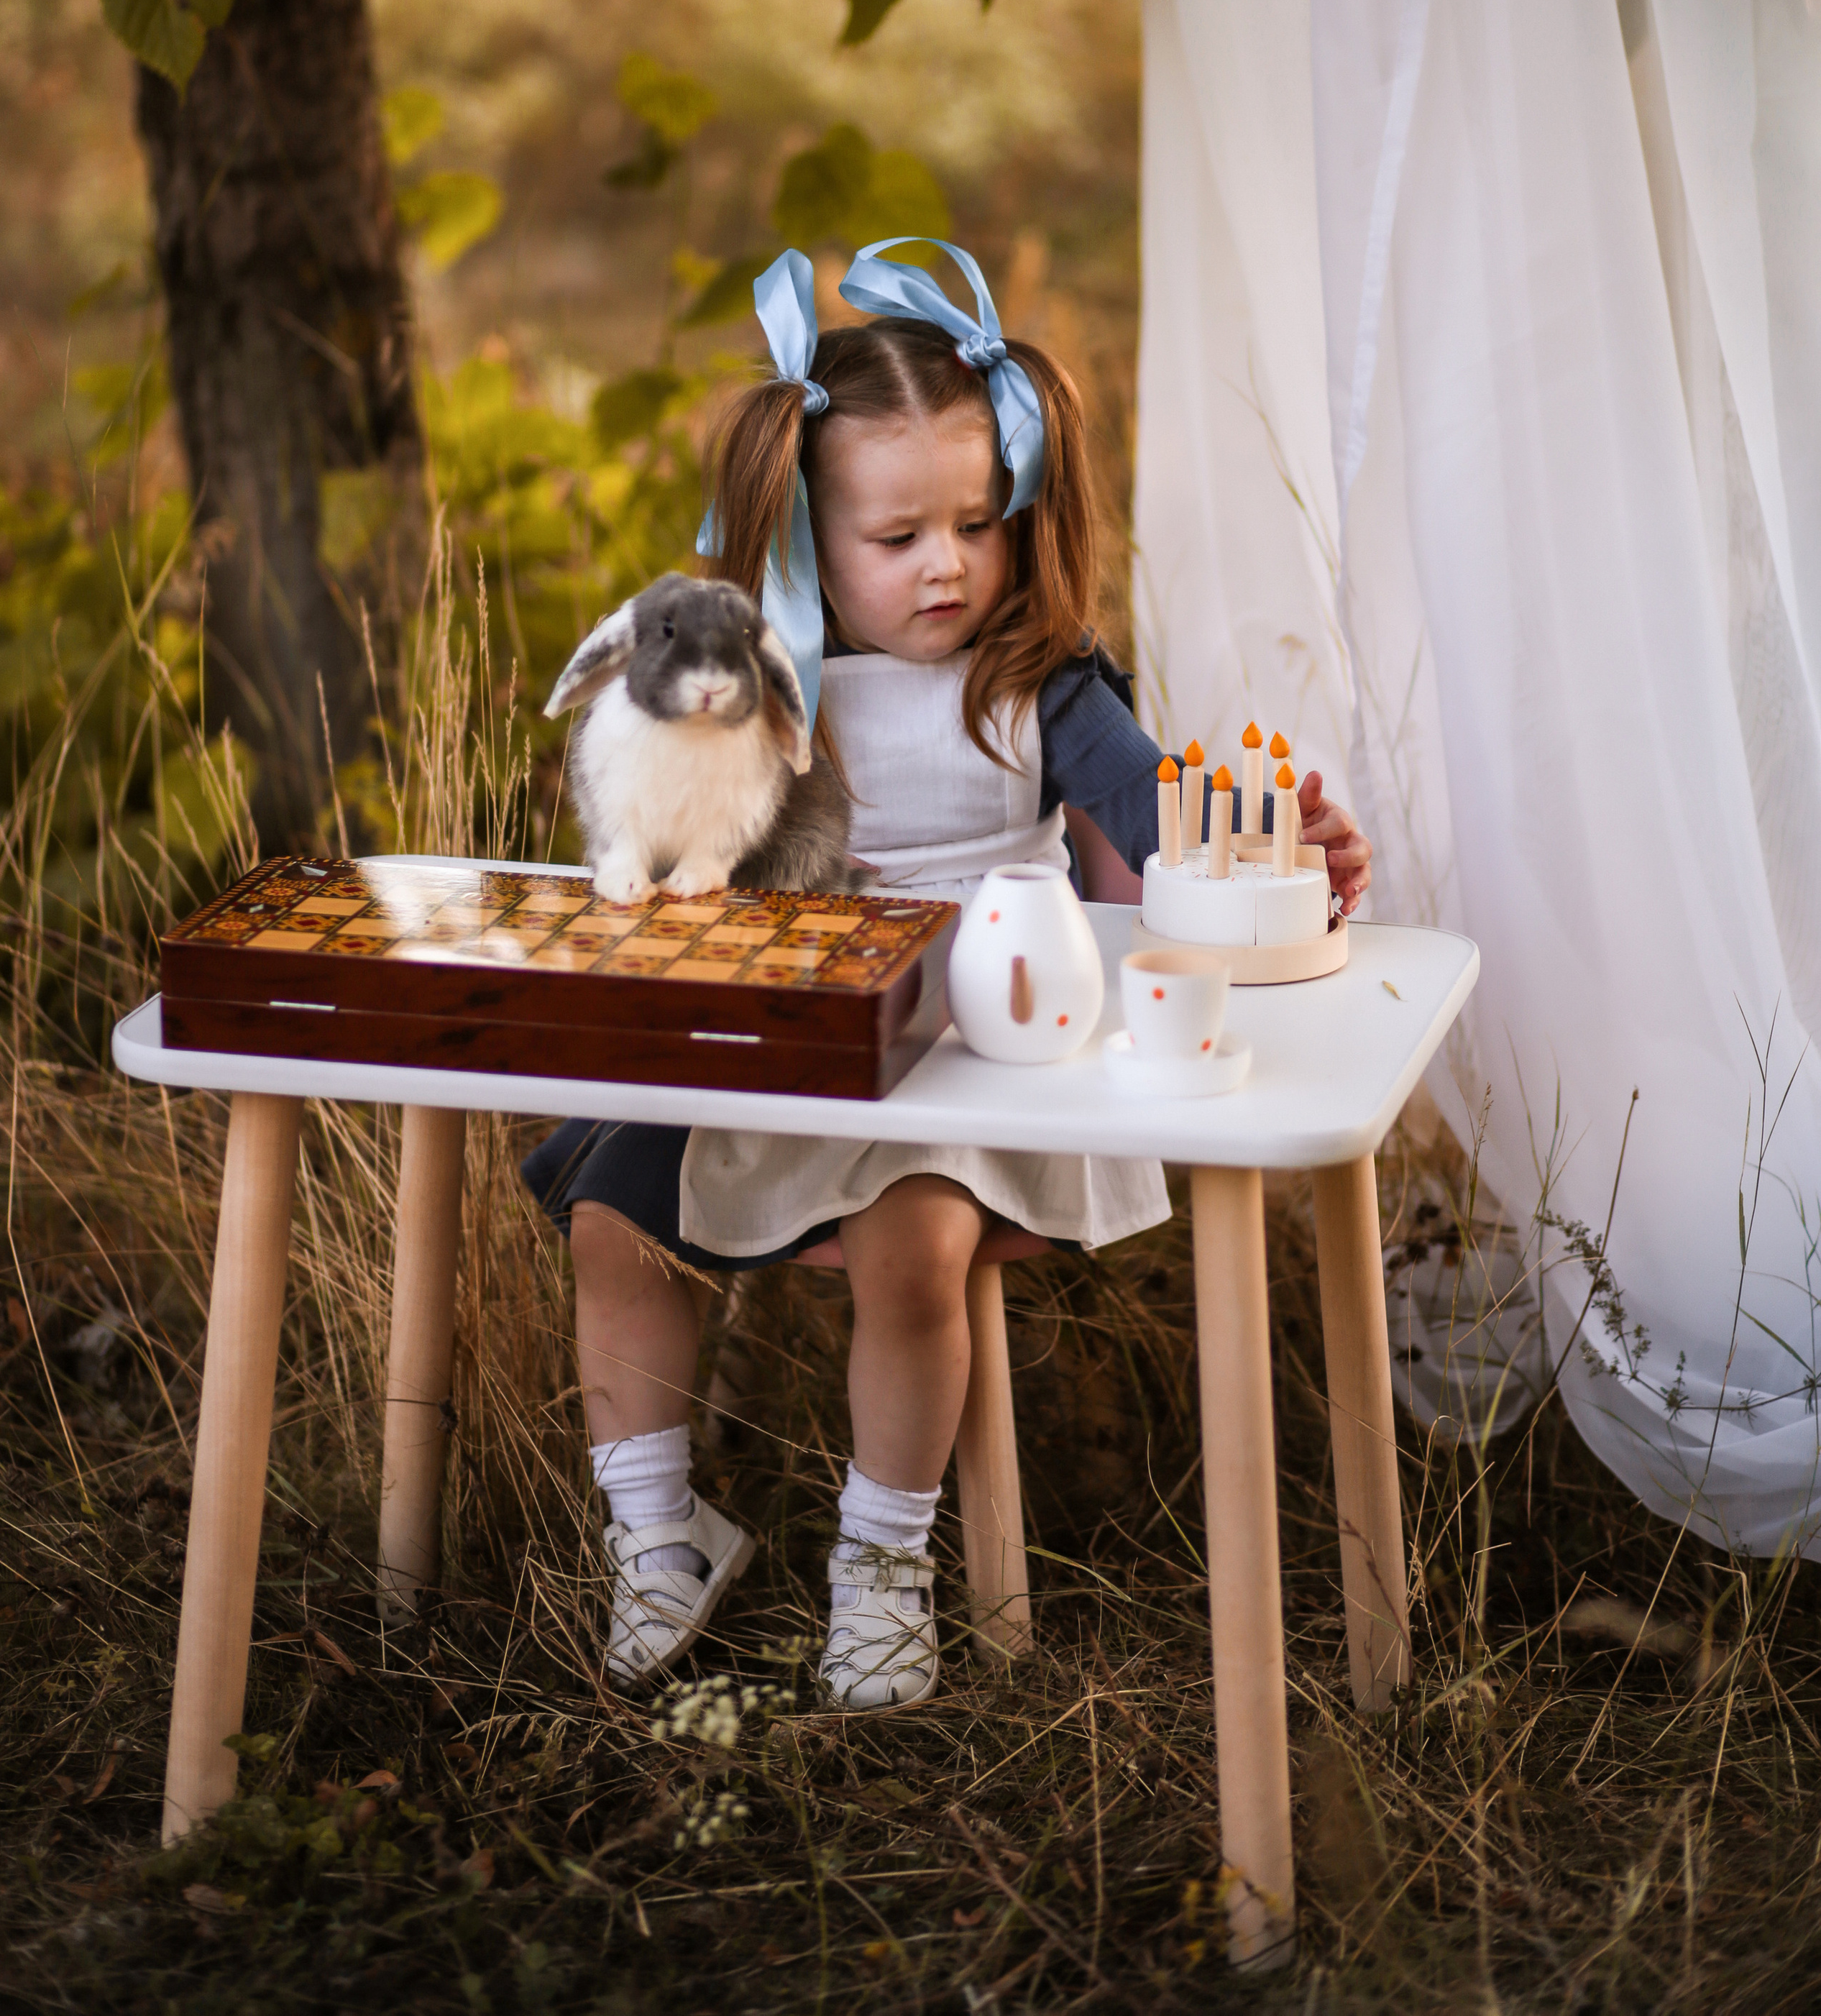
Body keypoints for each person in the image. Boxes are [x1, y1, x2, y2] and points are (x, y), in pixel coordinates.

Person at [523, 241, 1371, 1710]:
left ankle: (881, 1560)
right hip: (786, 1042)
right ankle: (657, 1538)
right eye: (897, 533)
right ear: (798, 540)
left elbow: (1152, 803)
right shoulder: (767, 691)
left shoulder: (1033, 684)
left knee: (914, 1241)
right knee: (609, 1213)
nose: (947, 566)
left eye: (978, 524)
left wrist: (1263, 834)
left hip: (976, 1048)